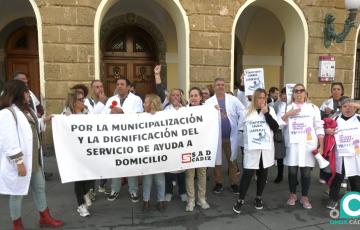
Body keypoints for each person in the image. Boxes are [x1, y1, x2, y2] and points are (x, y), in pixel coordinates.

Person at [0, 80, 64, 229]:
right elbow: (8, 140)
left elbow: (31, 128)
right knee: (17, 194)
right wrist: (18, 162)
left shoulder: (27, 110)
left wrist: (44, 120)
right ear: (19, 94)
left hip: (34, 159)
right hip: (20, 161)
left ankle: (45, 217)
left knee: (39, 187)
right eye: (26, 92)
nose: (29, 95)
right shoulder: (7, 113)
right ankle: (17, 224)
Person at [233, 88, 278, 213]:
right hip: (251, 150)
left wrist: (266, 113)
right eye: (259, 97)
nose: (262, 100)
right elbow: (240, 128)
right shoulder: (246, 112)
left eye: (264, 97)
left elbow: (275, 127)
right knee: (247, 174)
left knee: (263, 174)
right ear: (254, 98)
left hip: (265, 150)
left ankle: (258, 197)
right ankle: (240, 199)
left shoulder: (271, 110)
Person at [279, 84, 324, 209]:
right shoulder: (287, 107)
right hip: (292, 145)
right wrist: (288, 114)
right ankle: (292, 195)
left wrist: (321, 145)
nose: (298, 93)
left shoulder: (313, 108)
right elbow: (279, 125)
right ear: (293, 94)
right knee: (292, 172)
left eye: (301, 90)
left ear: (305, 93)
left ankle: (305, 196)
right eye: (296, 91)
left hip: (308, 145)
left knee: (306, 173)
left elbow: (318, 126)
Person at [103, 77, 144, 202]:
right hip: (115, 137)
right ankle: (115, 189)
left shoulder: (136, 99)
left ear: (128, 87)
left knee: (130, 163)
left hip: (130, 136)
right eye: (117, 84)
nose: (119, 86)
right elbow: (103, 115)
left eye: (122, 84)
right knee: (116, 163)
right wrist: (111, 113)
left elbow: (139, 114)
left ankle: (133, 190)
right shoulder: (111, 99)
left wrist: (122, 112)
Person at [205, 77, 245, 194]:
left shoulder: (233, 99)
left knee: (232, 160)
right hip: (216, 138)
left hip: (230, 136)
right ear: (214, 87)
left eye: (222, 84)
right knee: (217, 162)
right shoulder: (209, 102)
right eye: (218, 85)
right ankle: (218, 183)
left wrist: (240, 125)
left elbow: (242, 111)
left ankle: (234, 183)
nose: (221, 86)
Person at [63, 89, 95, 217]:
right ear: (73, 101)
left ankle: (87, 194)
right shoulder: (66, 114)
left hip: (87, 150)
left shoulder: (86, 112)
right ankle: (81, 205)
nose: (83, 101)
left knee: (89, 177)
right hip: (74, 152)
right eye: (80, 100)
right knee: (79, 179)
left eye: (83, 99)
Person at [326, 98, 360, 209]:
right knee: (337, 177)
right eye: (345, 106)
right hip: (339, 155)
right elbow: (323, 128)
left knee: (355, 179)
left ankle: (356, 200)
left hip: (355, 156)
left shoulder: (358, 119)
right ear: (341, 108)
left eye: (351, 106)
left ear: (356, 107)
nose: (348, 109)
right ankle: (333, 199)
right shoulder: (335, 119)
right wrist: (327, 131)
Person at [185, 87, 210, 212]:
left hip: (202, 147)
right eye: (191, 95)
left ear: (201, 97)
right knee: (189, 174)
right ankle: (191, 200)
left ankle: (201, 198)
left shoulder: (207, 110)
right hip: (189, 147)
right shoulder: (184, 111)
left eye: (196, 95)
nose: (193, 98)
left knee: (202, 173)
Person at [141, 94, 166, 212]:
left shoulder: (163, 116)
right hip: (146, 154)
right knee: (147, 178)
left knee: (160, 179)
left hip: (159, 153)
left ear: (152, 104)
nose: (143, 104)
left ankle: (161, 200)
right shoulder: (141, 117)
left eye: (146, 102)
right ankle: (146, 200)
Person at [84, 80, 109, 195]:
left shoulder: (109, 101)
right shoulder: (86, 102)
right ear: (92, 89)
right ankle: (91, 190)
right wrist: (101, 103)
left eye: (101, 86)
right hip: (92, 139)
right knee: (92, 165)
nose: (100, 89)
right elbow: (90, 118)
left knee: (105, 163)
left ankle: (103, 185)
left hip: (105, 138)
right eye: (97, 87)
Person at [319, 82, 346, 186]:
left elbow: (347, 113)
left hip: (342, 134)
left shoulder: (346, 101)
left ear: (342, 91)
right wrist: (325, 113)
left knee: (341, 156)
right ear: (331, 91)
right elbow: (320, 119)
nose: (336, 91)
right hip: (329, 134)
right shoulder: (326, 103)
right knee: (328, 155)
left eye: (338, 89)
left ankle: (342, 178)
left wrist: (333, 111)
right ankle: (327, 178)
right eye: (334, 89)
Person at [164, 88, 188, 202]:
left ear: (180, 97)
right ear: (170, 97)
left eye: (177, 95)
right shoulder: (166, 110)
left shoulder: (186, 110)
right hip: (170, 145)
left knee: (182, 170)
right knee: (169, 170)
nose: (175, 97)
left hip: (183, 144)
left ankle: (182, 192)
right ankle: (168, 192)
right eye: (173, 95)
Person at [273, 87, 287, 183]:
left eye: (287, 93)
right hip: (280, 132)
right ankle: (280, 174)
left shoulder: (294, 105)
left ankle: (292, 176)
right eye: (283, 94)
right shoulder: (276, 105)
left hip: (291, 133)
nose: (285, 96)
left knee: (292, 155)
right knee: (280, 155)